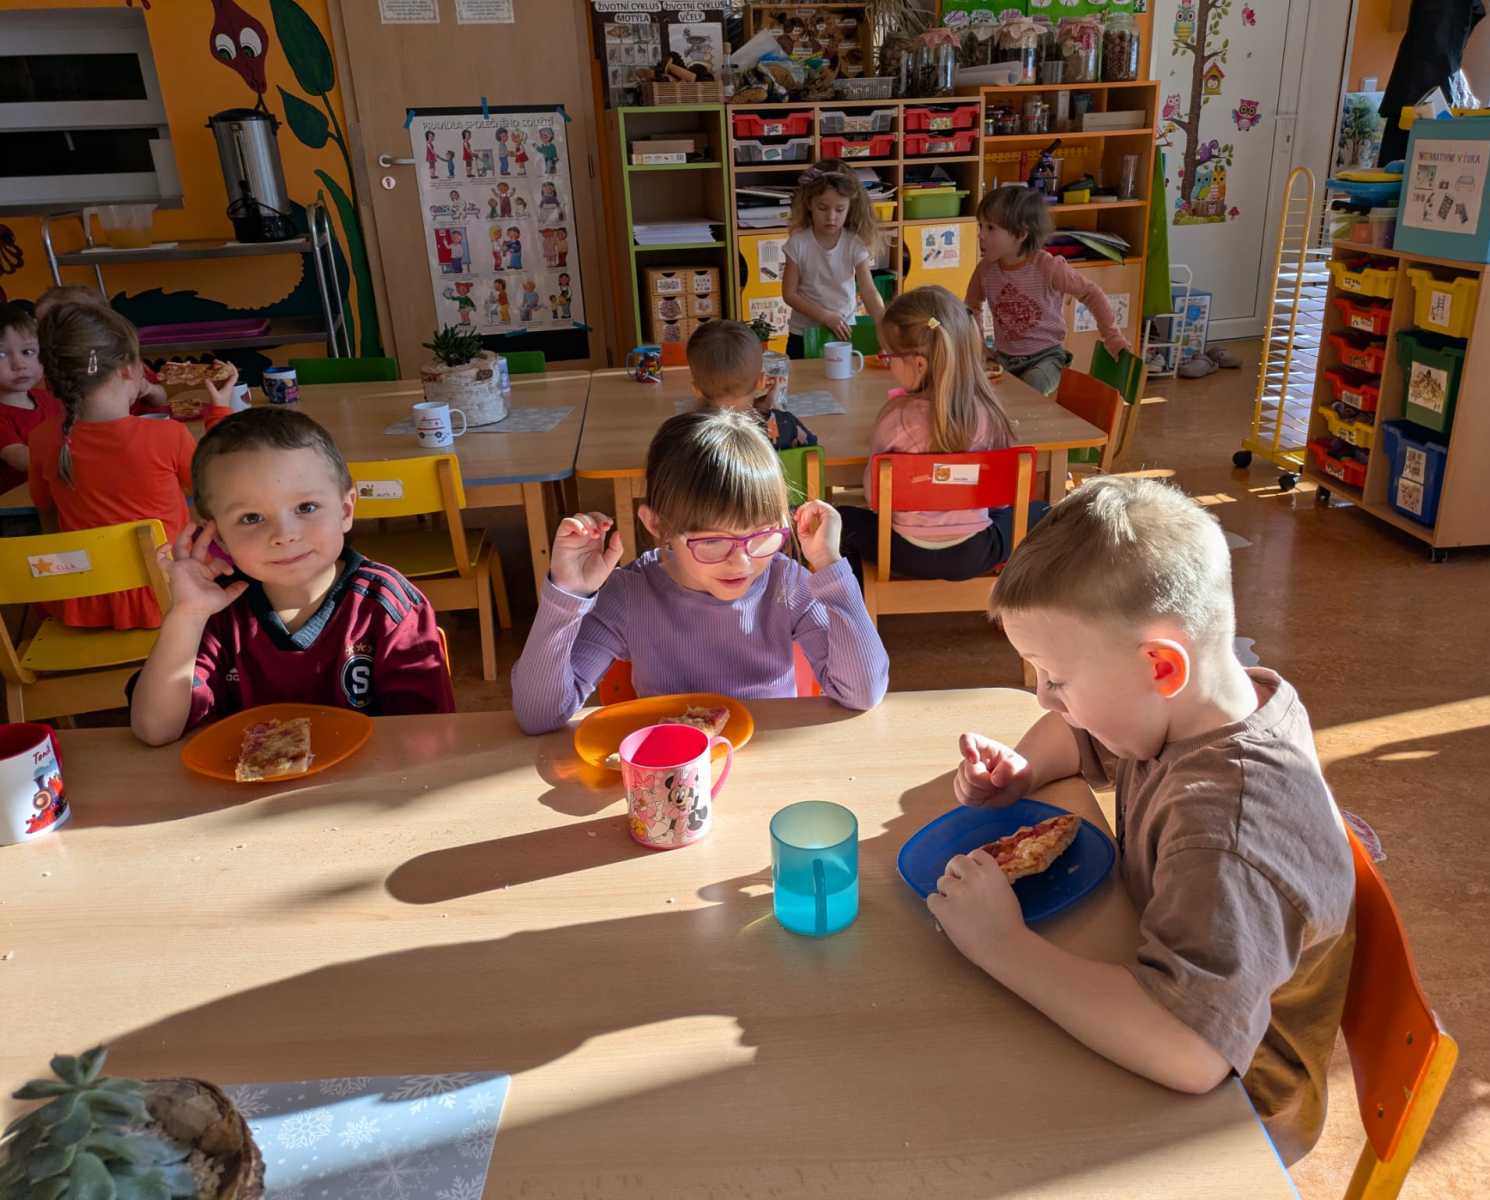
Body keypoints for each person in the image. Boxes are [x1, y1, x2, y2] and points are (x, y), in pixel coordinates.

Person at [930, 475, 1354, 1163]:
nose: (1043, 698)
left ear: (1159, 667)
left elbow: (1190, 1053)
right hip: (1158, 982)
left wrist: (1000, 945)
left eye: (1055, 678)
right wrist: (1022, 770)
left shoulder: (1227, 834)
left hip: (1237, 1111)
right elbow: (1079, 735)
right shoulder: (1202, 706)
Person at [511, 409, 888, 735]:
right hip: (672, 774)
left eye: (761, 536)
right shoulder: (630, 595)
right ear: (658, 525)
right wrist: (568, 594)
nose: (742, 562)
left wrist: (829, 566)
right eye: (712, 542)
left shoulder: (786, 582)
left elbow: (863, 692)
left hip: (771, 768)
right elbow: (538, 716)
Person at [130, 407, 455, 746]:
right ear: (219, 536)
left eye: (306, 507)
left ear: (345, 510)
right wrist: (187, 615)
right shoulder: (214, 612)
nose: (284, 535)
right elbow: (156, 729)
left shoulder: (388, 606)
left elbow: (428, 740)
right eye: (251, 517)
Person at [837, 286, 1049, 583]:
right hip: (975, 553)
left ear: (919, 364)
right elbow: (1001, 500)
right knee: (1042, 511)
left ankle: (856, 600)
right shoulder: (989, 414)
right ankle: (1015, 594)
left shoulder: (894, 418)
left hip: (901, 552)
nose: (888, 363)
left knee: (839, 521)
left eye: (889, 357)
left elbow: (875, 497)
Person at [29, 303, 208, 629]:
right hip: (171, 599)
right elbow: (212, 500)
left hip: (83, 604)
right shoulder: (168, 435)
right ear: (128, 369)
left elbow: (47, 518)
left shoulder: (41, 439)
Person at [966, 186, 1130, 398]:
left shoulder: (1048, 266)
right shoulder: (985, 269)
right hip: (1004, 358)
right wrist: (981, 347)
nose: (980, 235)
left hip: (1047, 358)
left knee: (1030, 386)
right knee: (976, 387)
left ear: (1021, 234)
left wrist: (1113, 337)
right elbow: (970, 307)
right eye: (980, 226)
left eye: (990, 228)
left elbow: (1091, 293)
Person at [781, 163, 886, 359]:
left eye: (839, 209)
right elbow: (789, 294)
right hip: (803, 334)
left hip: (843, 331)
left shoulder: (854, 244)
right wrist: (825, 316)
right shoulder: (798, 244)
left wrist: (883, 325)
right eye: (822, 208)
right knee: (804, 378)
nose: (831, 217)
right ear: (810, 204)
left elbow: (869, 291)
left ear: (849, 208)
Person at [32, 285, 169, 414]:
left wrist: (149, 389)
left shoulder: (122, 360)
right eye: (42, 326)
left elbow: (161, 399)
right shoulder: (45, 371)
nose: (46, 334)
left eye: (57, 325)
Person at [687, 319, 816, 452]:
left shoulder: (687, 434)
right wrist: (774, 410)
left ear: (696, 390)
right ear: (761, 381)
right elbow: (813, 449)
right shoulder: (785, 424)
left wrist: (762, 408)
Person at [0, 302, 56, 495]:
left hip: (52, 488)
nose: (19, 364)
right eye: (1, 355)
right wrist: (71, 460)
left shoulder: (49, 398)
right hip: (14, 504)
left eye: (27, 352)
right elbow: (19, 457)